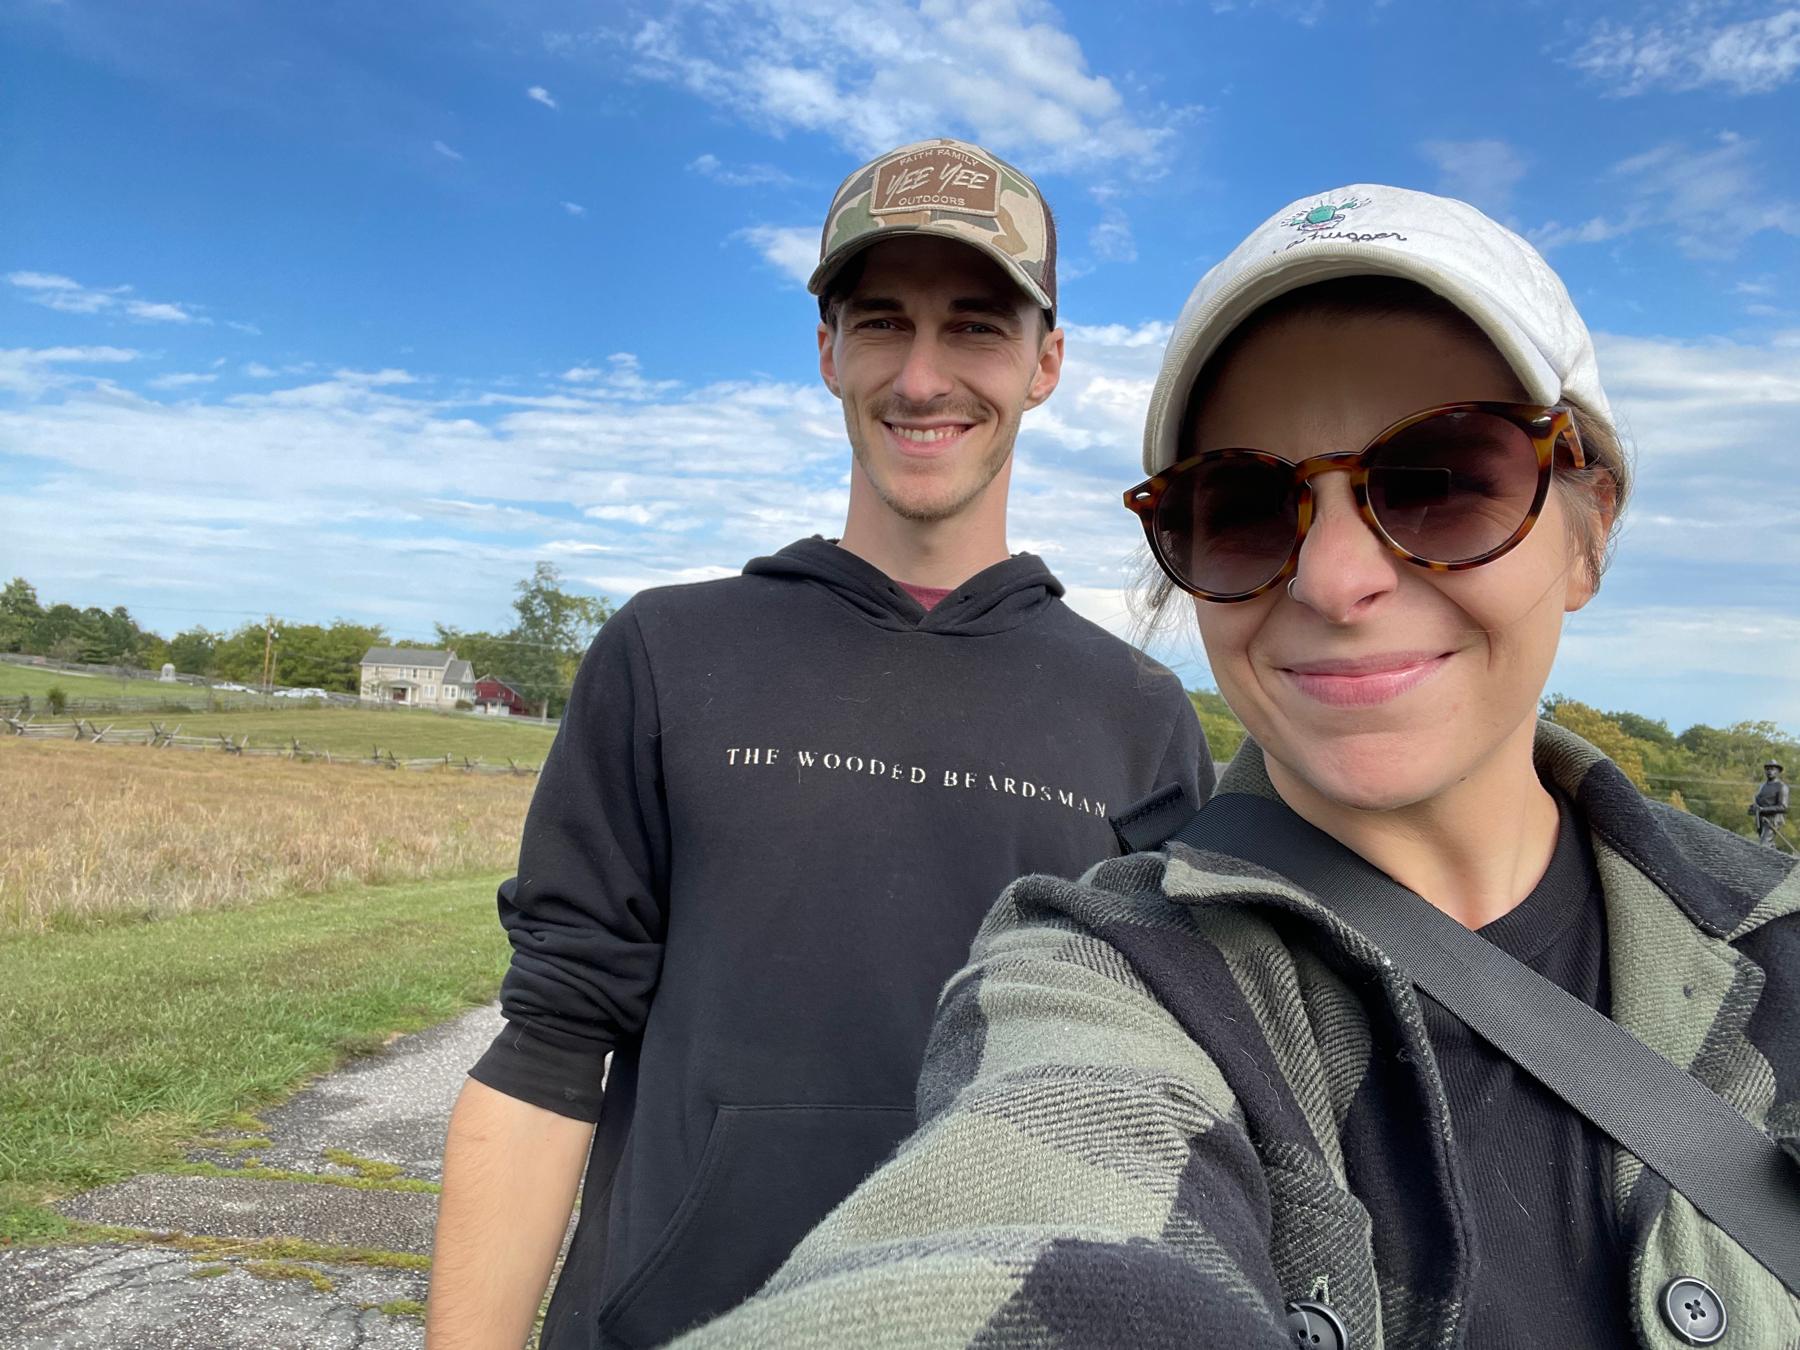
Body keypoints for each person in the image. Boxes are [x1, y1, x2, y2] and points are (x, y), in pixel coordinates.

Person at [673, 186, 1800, 1348]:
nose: (1332, 581)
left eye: (1446, 480)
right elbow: (1033, 1240)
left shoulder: (1781, 943)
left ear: (1590, 527)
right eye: (1249, 506)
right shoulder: (1123, 979)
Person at [424, 137, 1211, 1350]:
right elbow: (550, 1048)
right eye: (882, 323)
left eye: (978, 329)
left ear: (1047, 363)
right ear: (828, 351)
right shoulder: (667, 654)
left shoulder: (1138, 713)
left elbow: (1165, 1107)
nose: (922, 376)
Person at [1755, 759, 1790, 847]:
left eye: (1772, 769)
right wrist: (1753, 808)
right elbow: (1759, 802)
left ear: (1778, 771)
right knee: (1766, 844)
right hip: (1761, 819)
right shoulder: (1762, 786)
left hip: (1773, 820)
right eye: (1767, 769)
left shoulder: (1782, 787)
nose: (1769, 771)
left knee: (1764, 845)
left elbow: (1783, 807)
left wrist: (1764, 809)